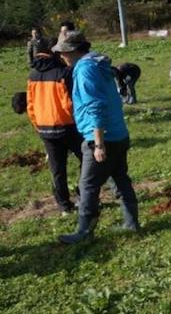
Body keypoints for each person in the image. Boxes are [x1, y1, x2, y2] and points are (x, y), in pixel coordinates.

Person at [52, 31, 140, 244]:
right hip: (119, 133)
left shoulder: (85, 70)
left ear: (73, 51)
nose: (61, 56)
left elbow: (95, 107)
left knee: (88, 185)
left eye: (63, 52)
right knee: (120, 179)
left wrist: (98, 143)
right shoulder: (99, 64)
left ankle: (84, 232)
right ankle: (131, 223)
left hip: (102, 137)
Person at [26, 42, 83, 214]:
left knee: (57, 169)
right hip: (67, 125)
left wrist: (38, 125)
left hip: (45, 128)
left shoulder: (32, 75)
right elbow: (69, 103)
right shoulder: (64, 73)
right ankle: (83, 197)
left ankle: (64, 206)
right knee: (86, 160)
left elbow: (30, 105)